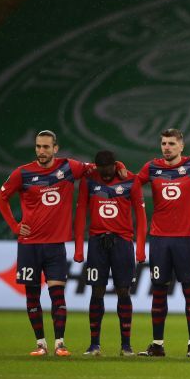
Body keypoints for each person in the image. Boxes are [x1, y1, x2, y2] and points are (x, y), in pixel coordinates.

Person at [0, 130, 113, 356]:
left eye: (46, 147)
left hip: (55, 245)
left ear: (55, 148)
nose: (41, 151)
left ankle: (60, 343)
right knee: (32, 296)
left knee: (57, 294)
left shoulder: (69, 168)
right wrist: (14, 225)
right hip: (29, 244)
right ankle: (41, 343)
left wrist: (115, 165)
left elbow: (96, 168)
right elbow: (1, 197)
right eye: (38, 147)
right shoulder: (23, 173)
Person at [136, 128, 190, 357]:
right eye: (164, 143)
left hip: (185, 239)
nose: (167, 147)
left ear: (181, 146)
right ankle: (157, 344)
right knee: (158, 291)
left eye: (171, 144)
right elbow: (132, 185)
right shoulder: (152, 167)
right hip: (159, 239)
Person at [73, 150, 147, 357]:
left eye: (108, 170)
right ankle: (94, 344)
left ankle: (126, 346)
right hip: (97, 243)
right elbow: (80, 214)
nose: (105, 175)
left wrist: (140, 248)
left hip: (122, 243)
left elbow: (141, 217)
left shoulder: (130, 180)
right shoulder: (88, 181)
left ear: (115, 165)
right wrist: (79, 247)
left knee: (124, 291)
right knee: (97, 291)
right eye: (101, 171)